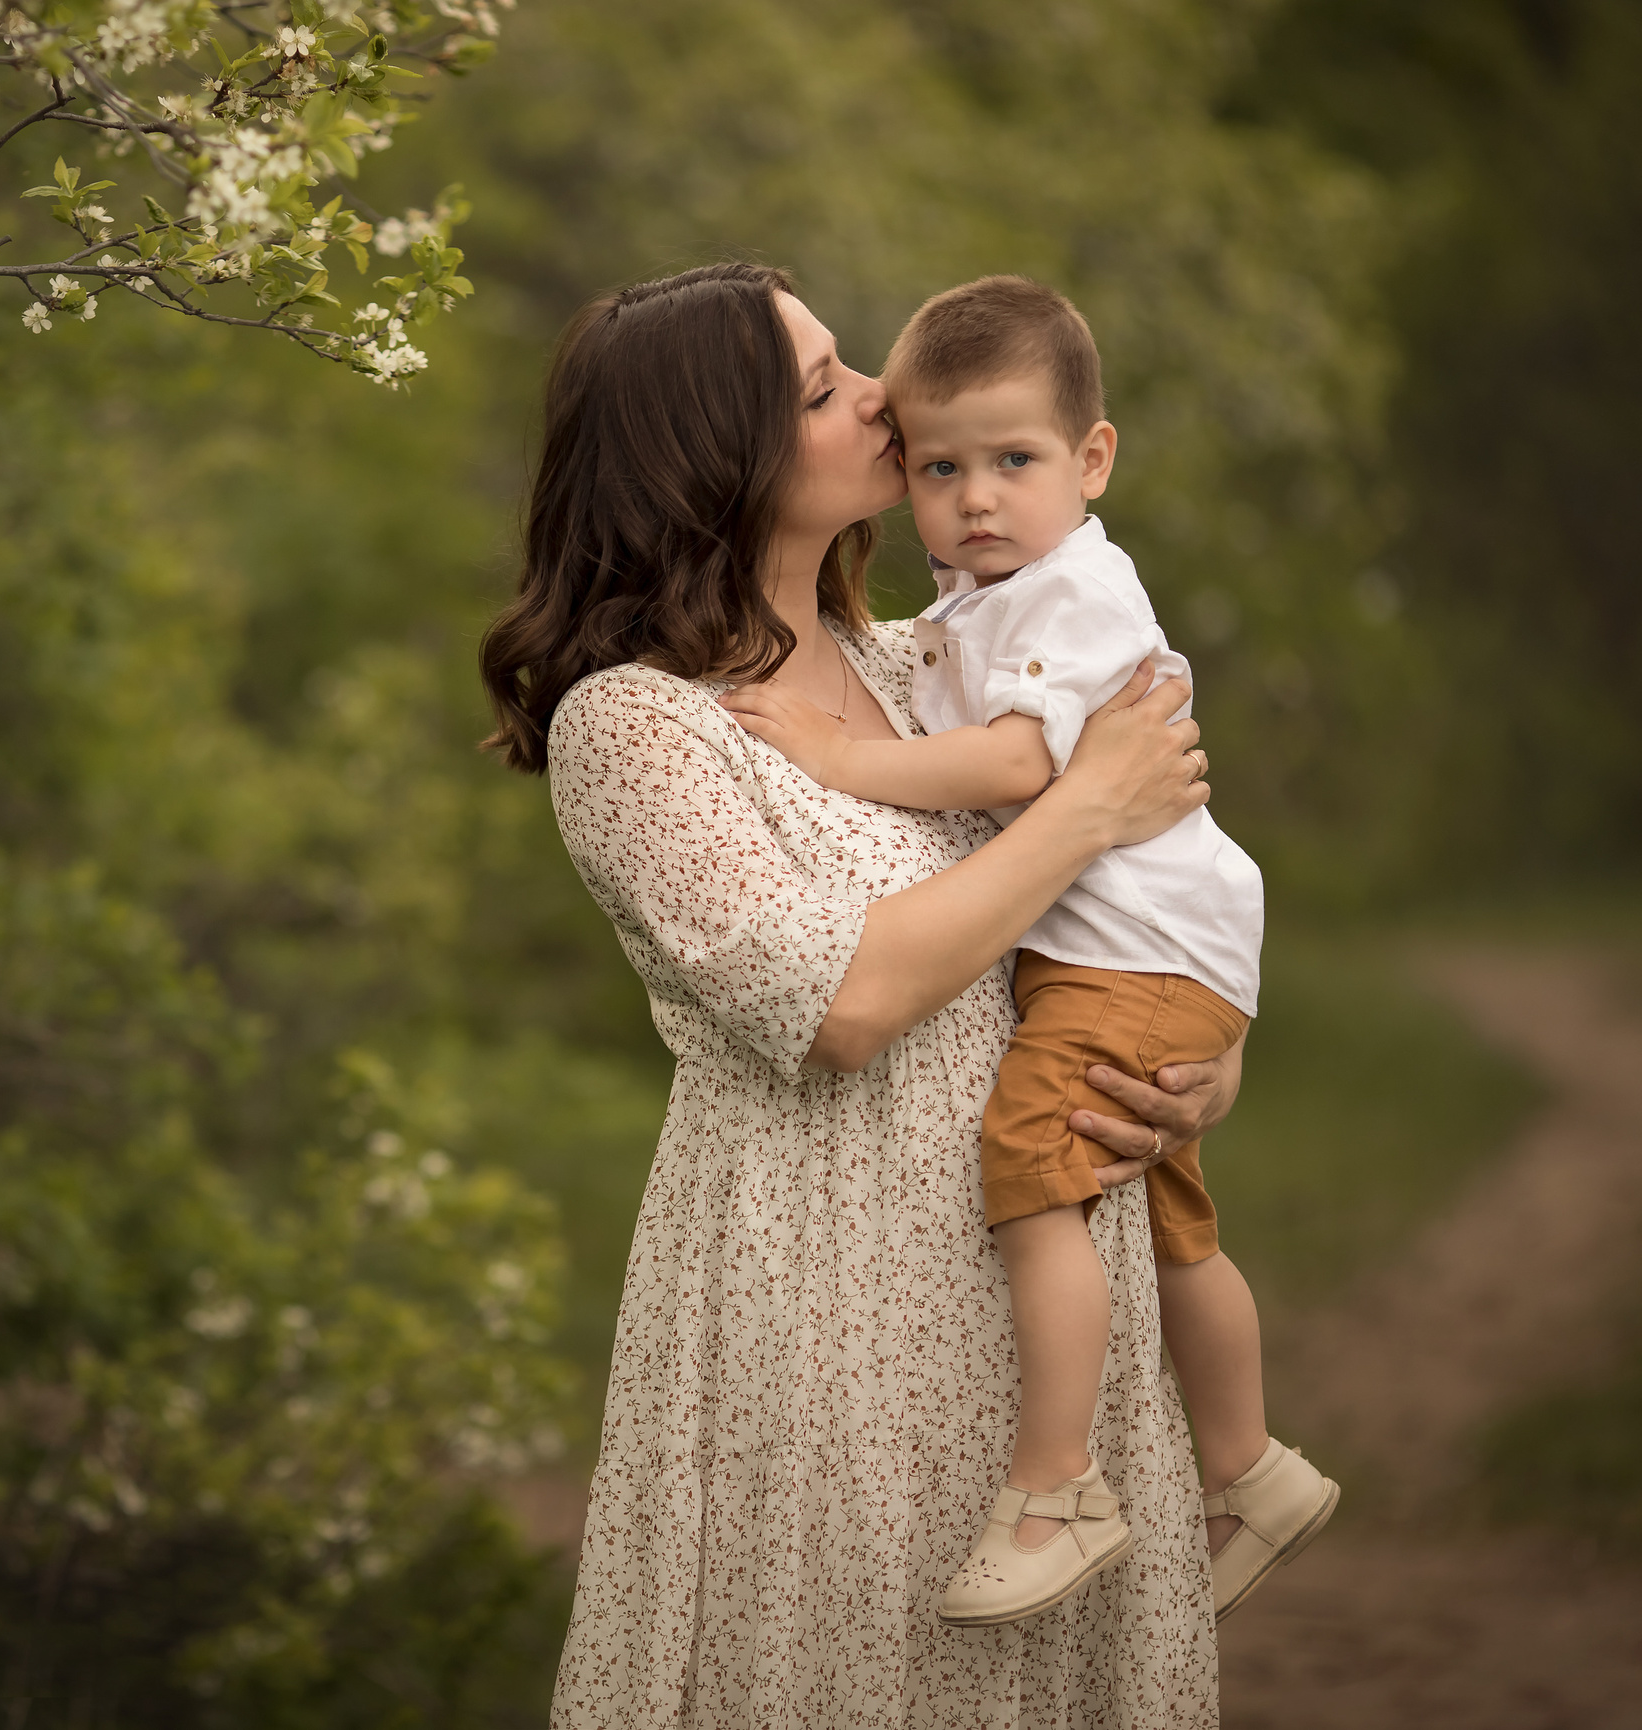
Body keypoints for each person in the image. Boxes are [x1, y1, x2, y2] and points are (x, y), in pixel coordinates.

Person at [479, 262, 1229, 1726]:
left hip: (1042, 1273)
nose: (884, 394)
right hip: (823, 1304)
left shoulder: (932, 667)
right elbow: (844, 1001)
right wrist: (1084, 807)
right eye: (825, 387)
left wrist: (1192, 1069)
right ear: (724, 461)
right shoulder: (637, 725)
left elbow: (1130, 918)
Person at [720, 275, 1337, 1632]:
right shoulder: (960, 608)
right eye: (943, 467)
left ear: (1093, 459)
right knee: (1177, 1226)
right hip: (1143, 959)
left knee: (1034, 1175)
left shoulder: (1069, 594)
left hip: (1130, 962)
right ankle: (1251, 1465)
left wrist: (836, 754)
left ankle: (1054, 1489)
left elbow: (1019, 761)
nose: (974, 496)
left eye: (1012, 462)